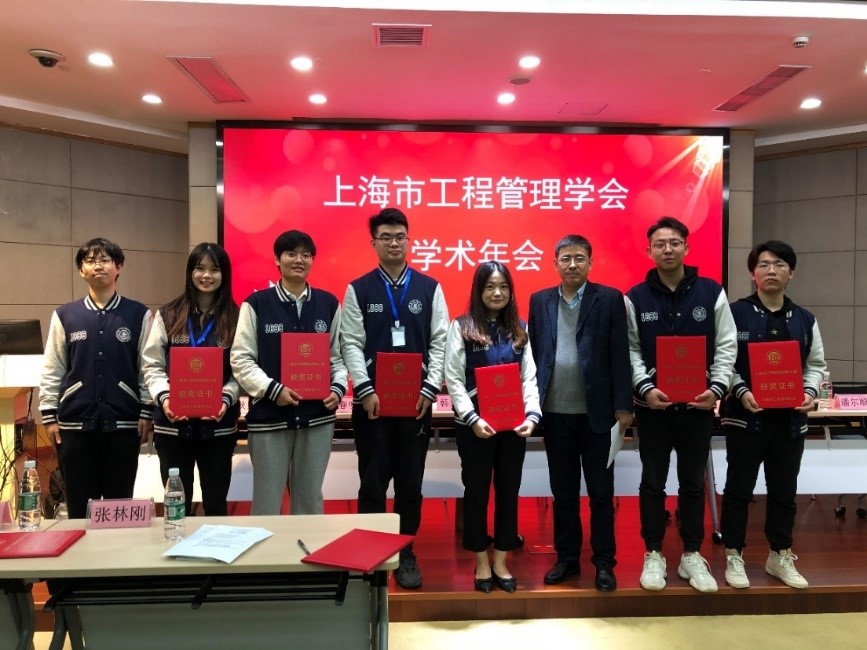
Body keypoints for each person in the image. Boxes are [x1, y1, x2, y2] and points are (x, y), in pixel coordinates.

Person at [625, 217, 736, 593]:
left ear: (686, 248)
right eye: (659, 244)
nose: (667, 249)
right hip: (653, 409)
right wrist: (644, 388)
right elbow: (631, 350)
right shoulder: (635, 297)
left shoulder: (711, 292)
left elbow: (727, 344)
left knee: (692, 483)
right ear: (649, 251)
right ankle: (653, 552)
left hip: (697, 408)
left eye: (674, 242)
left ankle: (691, 553)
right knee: (652, 483)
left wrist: (717, 388)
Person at [341, 207, 449, 589]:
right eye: (385, 237)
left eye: (399, 236)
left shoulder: (430, 288)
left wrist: (430, 388)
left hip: (415, 405)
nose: (393, 243)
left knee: (409, 484)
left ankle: (405, 551)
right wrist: (364, 388)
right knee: (372, 482)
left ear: (409, 240)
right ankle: (372, 552)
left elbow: (441, 341)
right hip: (372, 406)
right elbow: (351, 343)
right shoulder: (358, 289)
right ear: (373, 243)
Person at [528, 235, 633, 592]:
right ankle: (567, 558)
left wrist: (624, 406)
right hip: (554, 413)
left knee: (601, 494)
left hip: (598, 415)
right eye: (565, 258)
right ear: (554, 263)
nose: (572, 264)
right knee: (564, 493)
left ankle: (604, 563)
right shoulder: (540, 300)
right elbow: (534, 354)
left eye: (579, 258)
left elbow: (620, 354)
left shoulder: (610, 298)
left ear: (590, 262)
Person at [719, 241, 825, 590]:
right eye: (763, 265)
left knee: (784, 492)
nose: (771, 271)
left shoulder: (805, 319)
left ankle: (780, 554)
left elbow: (816, 365)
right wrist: (741, 391)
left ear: (791, 272)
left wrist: (809, 392)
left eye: (779, 264)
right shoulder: (734, 313)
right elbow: (723, 361)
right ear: (753, 273)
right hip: (746, 418)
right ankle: (734, 554)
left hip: (789, 422)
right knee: (738, 489)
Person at [231, 230, 347, 515]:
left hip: (317, 418)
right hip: (269, 419)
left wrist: (337, 388)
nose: (299, 260)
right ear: (277, 259)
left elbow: (338, 357)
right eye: (291, 254)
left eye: (306, 255)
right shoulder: (256, 304)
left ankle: (305, 546)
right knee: (267, 503)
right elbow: (241, 359)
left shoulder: (328, 304)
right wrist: (273, 390)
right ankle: (267, 548)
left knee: (309, 501)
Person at [39, 237, 153, 519]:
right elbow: (54, 367)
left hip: (123, 424)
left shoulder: (139, 314)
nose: (98, 266)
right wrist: (49, 416)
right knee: (79, 508)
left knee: (119, 507)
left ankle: (116, 549)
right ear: (81, 270)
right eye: (90, 261)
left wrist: (146, 410)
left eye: (105, 260)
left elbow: (147, 367)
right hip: (75, 426)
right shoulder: (65, 315)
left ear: (118, 267)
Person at [445, 261, 540, 593]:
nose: (497, 293)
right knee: (476, 492)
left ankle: (501, 560)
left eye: (503, 286)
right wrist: (472, 418)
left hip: (513, 428)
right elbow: (454, 378)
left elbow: (529, 377)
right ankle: (481, 562)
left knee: (509, 491)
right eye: (489, 286)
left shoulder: (520, 329)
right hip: (475, 428)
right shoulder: (462, 327)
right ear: (478, 290)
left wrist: (531, 416)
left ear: (511, 291)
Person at [142, 243, 241, 516]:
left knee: (216, 504)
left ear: (224, 274)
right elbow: (151, 364)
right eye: (200, 268)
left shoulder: (236, 317)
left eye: (214, 269)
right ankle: (178, 543)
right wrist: (165, 399)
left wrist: (225, 398)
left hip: (218, 428)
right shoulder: (168, 314)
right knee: (177, 507)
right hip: (173, 428)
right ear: (190, 272)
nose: (207, 275)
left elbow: (241, 370)